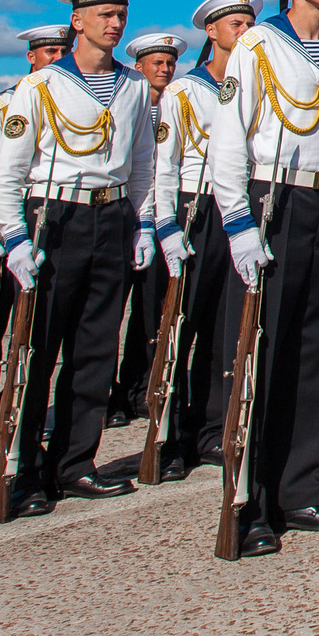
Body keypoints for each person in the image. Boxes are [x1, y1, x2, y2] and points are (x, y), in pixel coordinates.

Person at [210, 0, 319, 556]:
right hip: (275, 201)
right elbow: (229, 140)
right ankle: (249, 499)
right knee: (262, 355)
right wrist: (239, 224)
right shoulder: (256, 46)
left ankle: (299, 489)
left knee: (312, 352)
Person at [0, 0, 156, 516]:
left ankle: (75, 462)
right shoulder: (39, 87)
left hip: (112, 215)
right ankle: (23, 469)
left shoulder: (133, 87)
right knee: (38, 348)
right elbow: (8, 172)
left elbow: (144, 163)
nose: (115, 24)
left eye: (121, 15)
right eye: (105, 15)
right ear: (77, 22)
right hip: (54, 217)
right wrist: (12, 235)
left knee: (96, 349)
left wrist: (145, 223)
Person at [149, 0, 255, 478]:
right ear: (212, 32)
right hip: (195, 208)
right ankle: (166, 438)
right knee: (180, 327)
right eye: (236, 23)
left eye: (249, 22)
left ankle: (210, 428)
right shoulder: (184, 92)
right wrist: (165, 224)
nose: (244, 30)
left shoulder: (254, 79)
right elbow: (163, 166)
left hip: (236, 207)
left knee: (222, 330)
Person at [0, 22, 68, 446]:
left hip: (38, 223)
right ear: (32, 56)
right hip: (2, 225)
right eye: (49, 54)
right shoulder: (2, 106)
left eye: (63, 53)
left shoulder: (64, 98)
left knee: (32, 326)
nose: (57, 60)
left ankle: (18, 409)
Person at [110, 30, 187, 428]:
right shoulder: (129, 106)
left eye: (170, 63)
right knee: (110, 312)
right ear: (138, 68)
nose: (165, 69)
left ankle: (141, 384)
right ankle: (109, 392)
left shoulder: (176, 106)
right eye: (156, 63)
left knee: (150, 311)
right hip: (126, 214)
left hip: (162, 220)